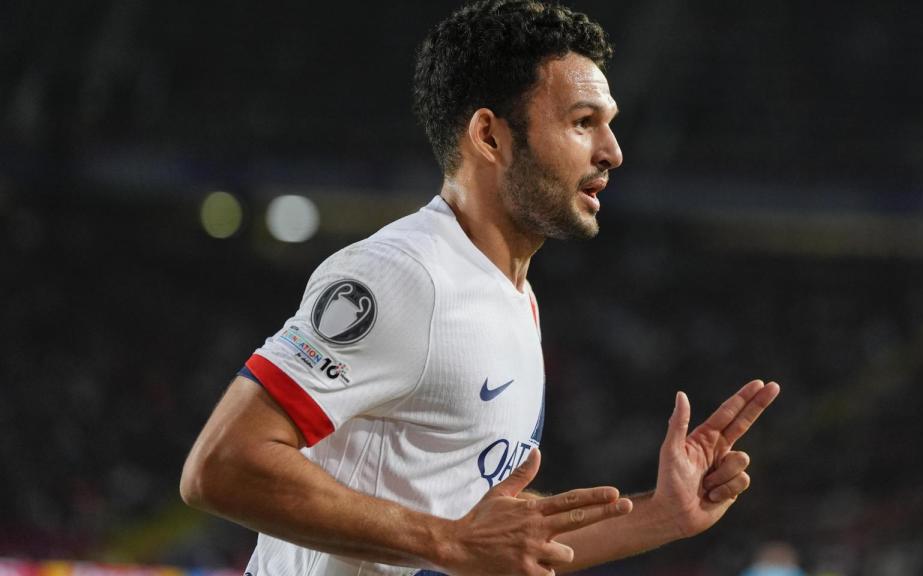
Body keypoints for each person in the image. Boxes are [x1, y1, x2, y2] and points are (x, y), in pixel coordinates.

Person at [179, 1, 781, 575]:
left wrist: (663, 515)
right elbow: (222, 465)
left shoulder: (513, 296)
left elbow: (490, 542)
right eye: (582, 123)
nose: (613, 152)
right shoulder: (404, 274)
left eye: (609, 125)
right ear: (490, 137)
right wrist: (448, 542)